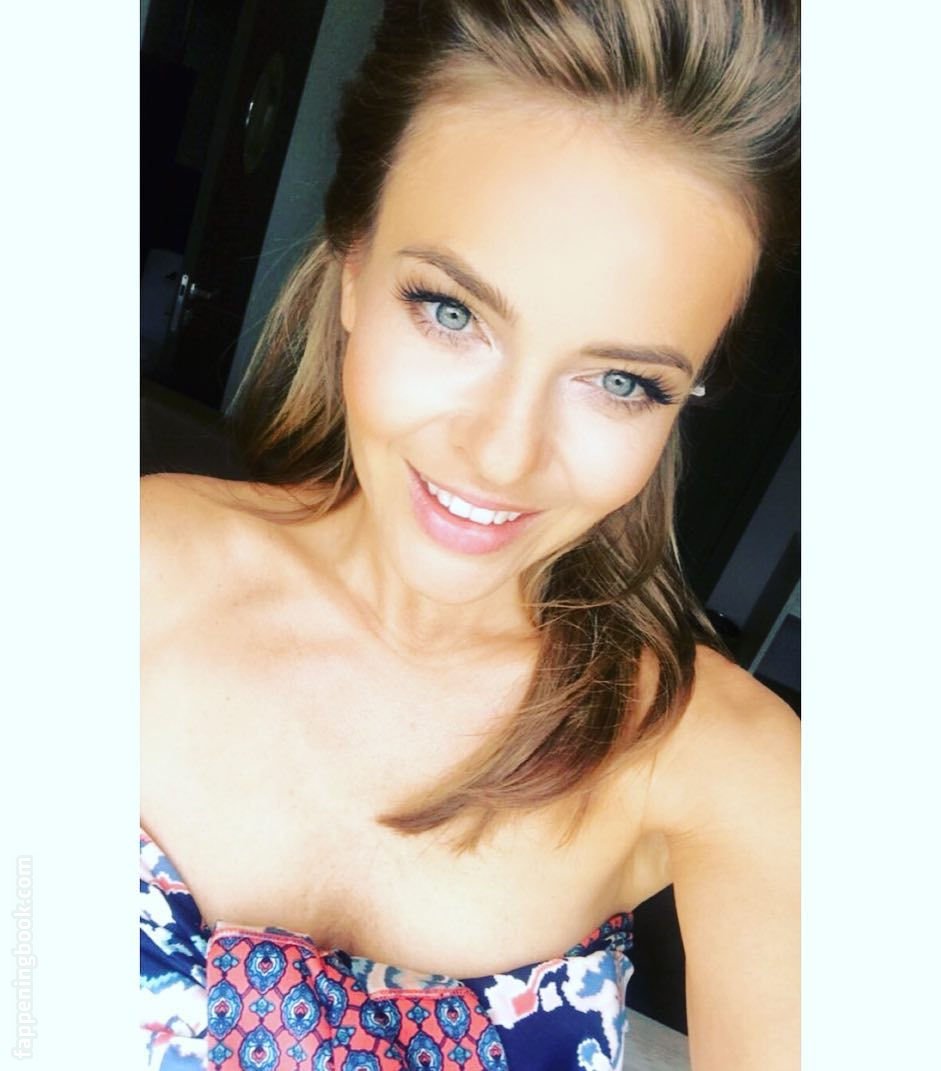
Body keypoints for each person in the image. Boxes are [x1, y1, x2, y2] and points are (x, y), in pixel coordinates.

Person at [140, 1, 800, 1068]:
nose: (501, 455)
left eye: (619, 381)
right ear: (352, 270)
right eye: (452, 313)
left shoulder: (730, 766)